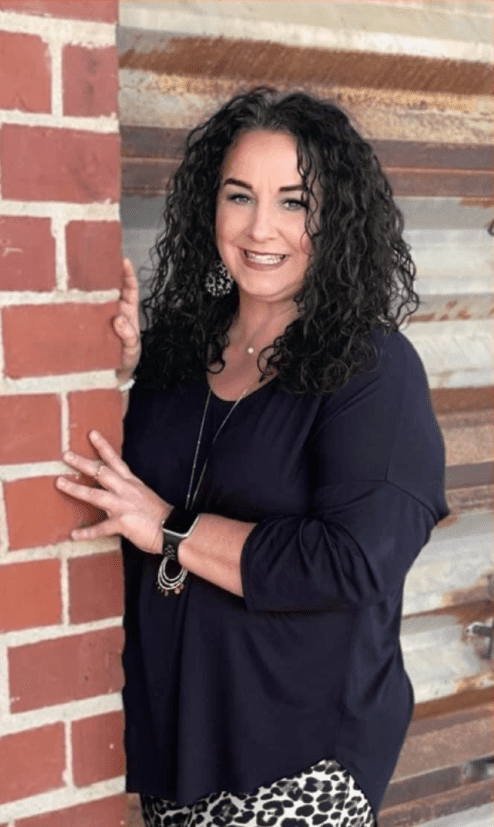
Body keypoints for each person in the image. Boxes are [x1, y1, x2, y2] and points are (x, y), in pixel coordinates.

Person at [56, 88, 448, 827]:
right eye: (240, 196)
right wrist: (113, 373)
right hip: (182, 753)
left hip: (299, 760)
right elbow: (119, 478)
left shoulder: (373, 368)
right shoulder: (175, 352)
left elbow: (353, 560)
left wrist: (171, 527)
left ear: (335, 220)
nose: (261, 227)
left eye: (294, 201)